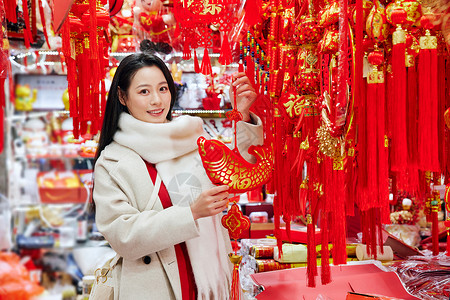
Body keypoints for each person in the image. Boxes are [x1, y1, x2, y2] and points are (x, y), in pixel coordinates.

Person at [93, 52, 263, 299]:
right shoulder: (113, 162)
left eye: (163, 89)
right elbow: (123, 236)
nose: (156, 100)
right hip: (153, 287)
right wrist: (191, 213)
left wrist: (243, 115)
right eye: (144, 92)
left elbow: (241, 173)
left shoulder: (191, 140)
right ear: (122, 96)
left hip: (208, 285)